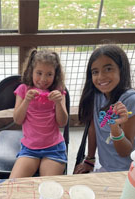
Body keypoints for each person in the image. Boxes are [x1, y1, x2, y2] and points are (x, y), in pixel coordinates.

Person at [74, 44, 135, 174]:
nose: (101, 77)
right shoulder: (96, 95)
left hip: (126, 171)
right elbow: (93, 128)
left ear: (121, 70)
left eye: (108, 69)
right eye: (95, 72)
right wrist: (89, 159)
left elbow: (125, 151)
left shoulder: (130, 101)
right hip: (105, 167)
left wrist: (114, 127)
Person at [9, 49, 68, 178]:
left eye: (49, 74)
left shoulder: (58, 91)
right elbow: (18, 120)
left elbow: (62, 122)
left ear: (55, 75)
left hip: (54, 148)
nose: (43, 79)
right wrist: (26, 101)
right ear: (31, 72)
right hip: (29, 148)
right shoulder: (23, 89)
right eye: (39, 73)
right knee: (13, 185)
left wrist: (58, 102)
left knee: (48, 189)